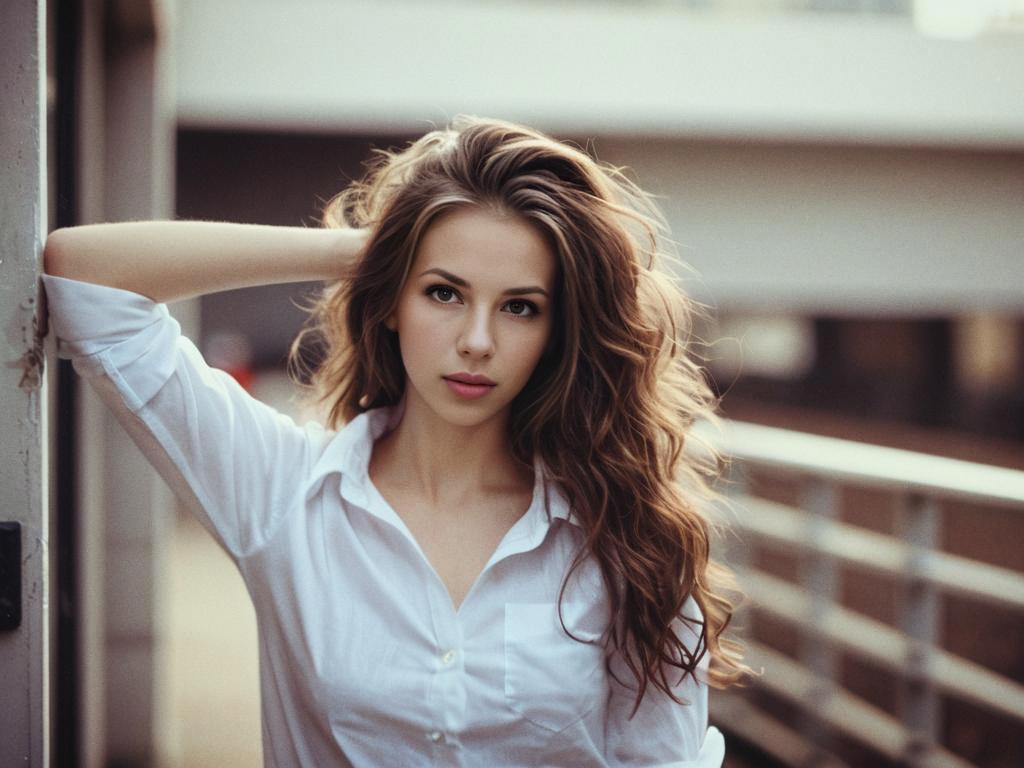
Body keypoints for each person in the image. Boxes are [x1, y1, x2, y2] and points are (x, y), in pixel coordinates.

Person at [43, 115, 753, 766]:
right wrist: (378, 248)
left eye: (519, 307)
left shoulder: (621, 534)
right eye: (443, 292)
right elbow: (84, 278)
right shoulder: (284, 491)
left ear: (556, 330)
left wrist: (438, 261)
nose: (477, 342)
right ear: (388, 301)